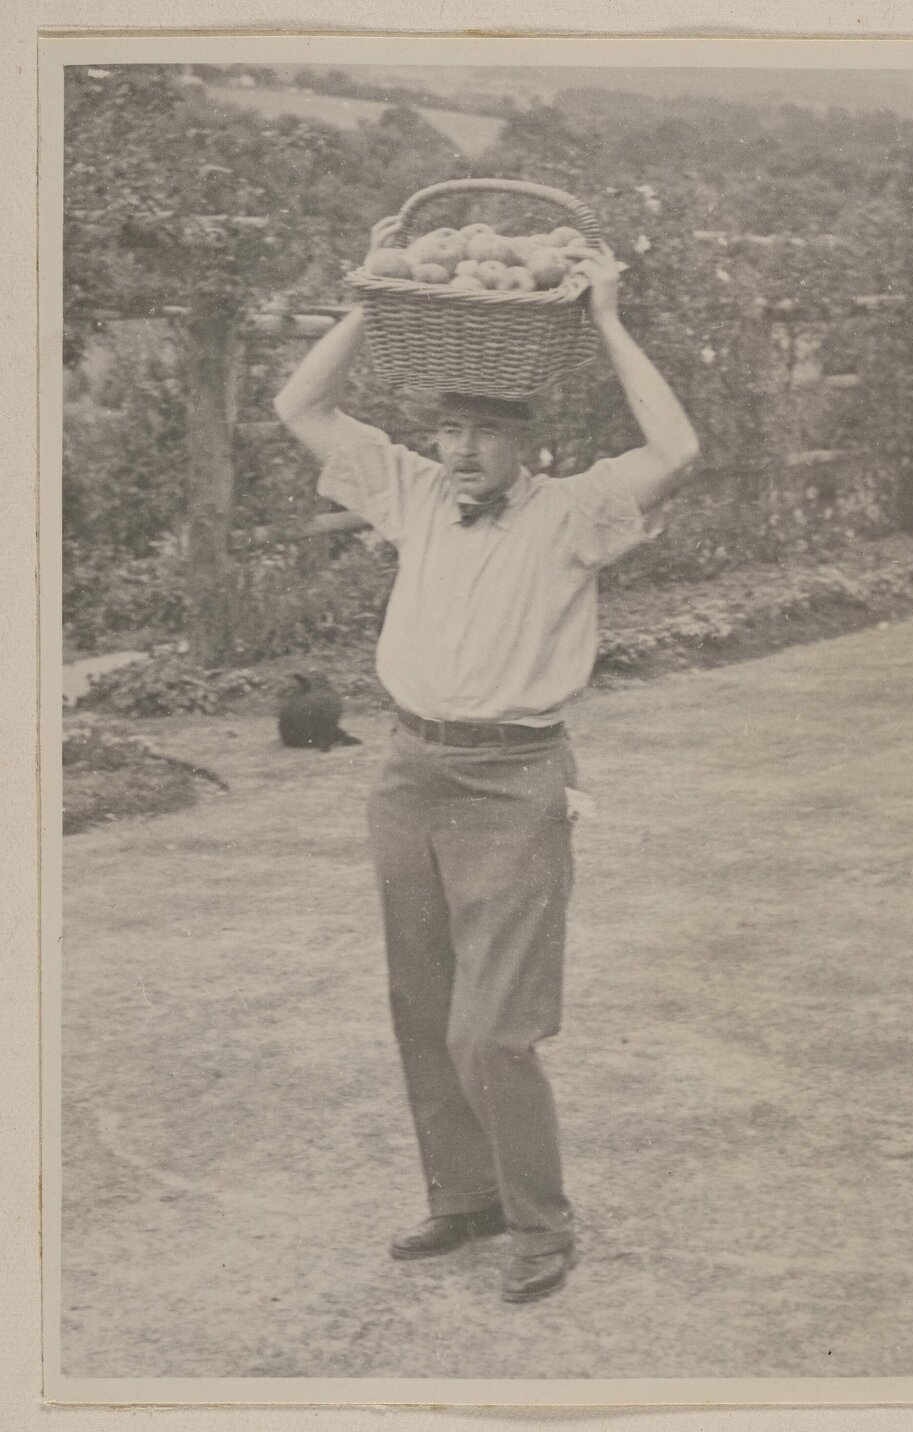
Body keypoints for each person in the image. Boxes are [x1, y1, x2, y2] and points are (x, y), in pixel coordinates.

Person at [274, 214, 700, 1304]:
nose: (463, 449)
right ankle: (461, 1198)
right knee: (421, 1003)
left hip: (514, 781)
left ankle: (540, 1222)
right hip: (408, 771)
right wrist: (370, 297)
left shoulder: (574, 513)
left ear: (529, 443)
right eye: (451, 428)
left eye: (486, 432)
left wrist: (604, 317)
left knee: (493, 1028)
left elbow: (677, 451)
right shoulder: (409, 490)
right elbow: (301, 407)